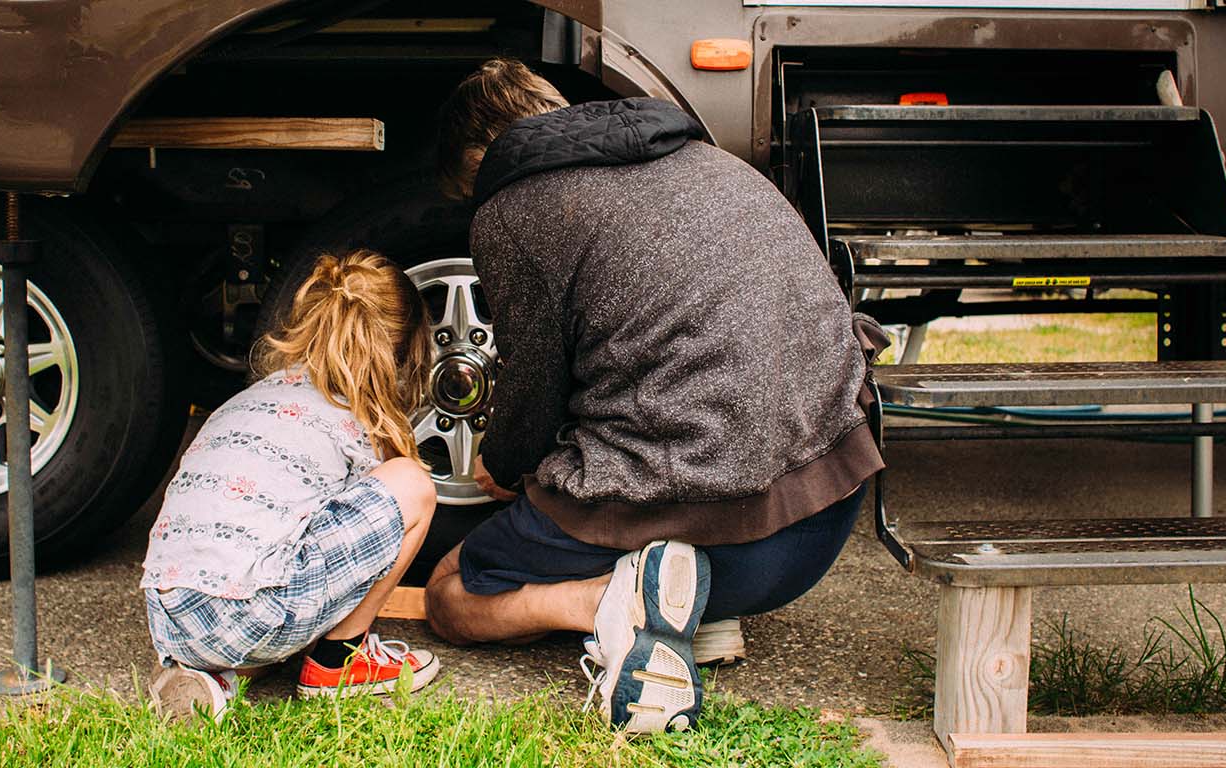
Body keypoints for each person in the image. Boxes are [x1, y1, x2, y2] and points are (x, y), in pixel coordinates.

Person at [424, 59, 887, 733]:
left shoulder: (512, 210)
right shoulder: (709, 160)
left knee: (451, 593)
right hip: (821, 525)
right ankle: (693, 617)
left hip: (717, 528)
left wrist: (506, 469)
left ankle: (612, 601)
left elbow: (530, 399)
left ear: (479, 156)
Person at [141, 250, 442, 721]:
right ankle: (339, 663)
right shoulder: (356, 415)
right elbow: (365, 551)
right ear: (405, 349)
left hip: (171, 615)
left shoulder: (254, 397)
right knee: (411, 485)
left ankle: (211, 677)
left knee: (264, 565)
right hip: (247, 613)